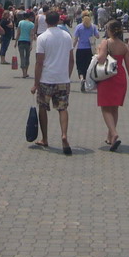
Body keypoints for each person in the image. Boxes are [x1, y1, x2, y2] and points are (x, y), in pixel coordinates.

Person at [31, 11, 75, 155]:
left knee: (43, 108)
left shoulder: (42, 38)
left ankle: (44, 138)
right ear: (58, 21)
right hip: (63, 79)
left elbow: (39, 62)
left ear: (46, 22)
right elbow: (71, 60)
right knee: (63, 108)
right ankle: (64, 135)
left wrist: (36, 83)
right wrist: (67, 75)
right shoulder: (67, 36)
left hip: (46, 78)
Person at [95, 19, 129, 151]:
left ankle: (113, 132)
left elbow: (101, 59)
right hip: (120, 77)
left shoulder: (106, 42)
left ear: (110, 30)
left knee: (105, 107)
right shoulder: (124, 46)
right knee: (114, 108)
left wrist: (98, 51)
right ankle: (110, 136)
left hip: (107, 77)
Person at [72, 11, 99, 92]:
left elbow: (76, 39)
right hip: (89, 50)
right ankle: (87, 81)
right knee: (88, 67)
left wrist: (72, 48)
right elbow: (98, 36)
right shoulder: (93, 26)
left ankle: (81, 78)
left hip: (80, 49)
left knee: (80, 66)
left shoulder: (79, 27)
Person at [15, 11, 36, 78]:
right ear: (30, 17)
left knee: (22, 57)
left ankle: (23, 72)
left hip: (20, 41)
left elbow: (18, 33)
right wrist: (31, 44)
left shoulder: (20, 22)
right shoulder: (32, 24)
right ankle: (26, 72)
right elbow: (31, 35)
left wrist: (15, 42)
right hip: (28, 42)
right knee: (27, 57)